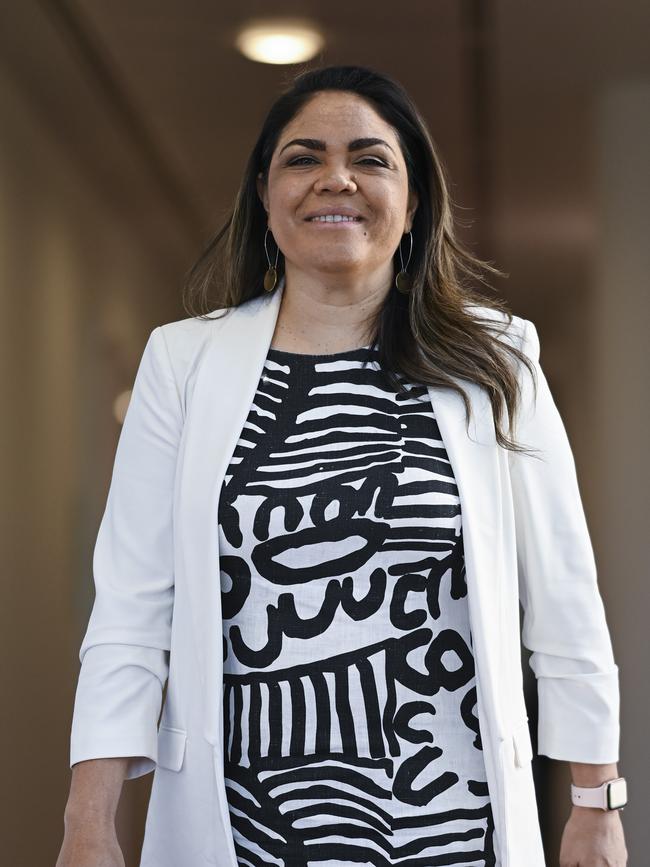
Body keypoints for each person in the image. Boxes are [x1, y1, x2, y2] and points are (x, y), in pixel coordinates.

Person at [58, 64, 627, 867]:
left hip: (453, 827)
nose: (336, 179)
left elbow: (565, 602)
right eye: (302, 158)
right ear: (264, 191)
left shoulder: (498, 360)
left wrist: (595, 803)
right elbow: (129, 613)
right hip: (244, 827)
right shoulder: (181, 364)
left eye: (370, 158)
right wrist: (90, 817)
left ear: (415, 198)